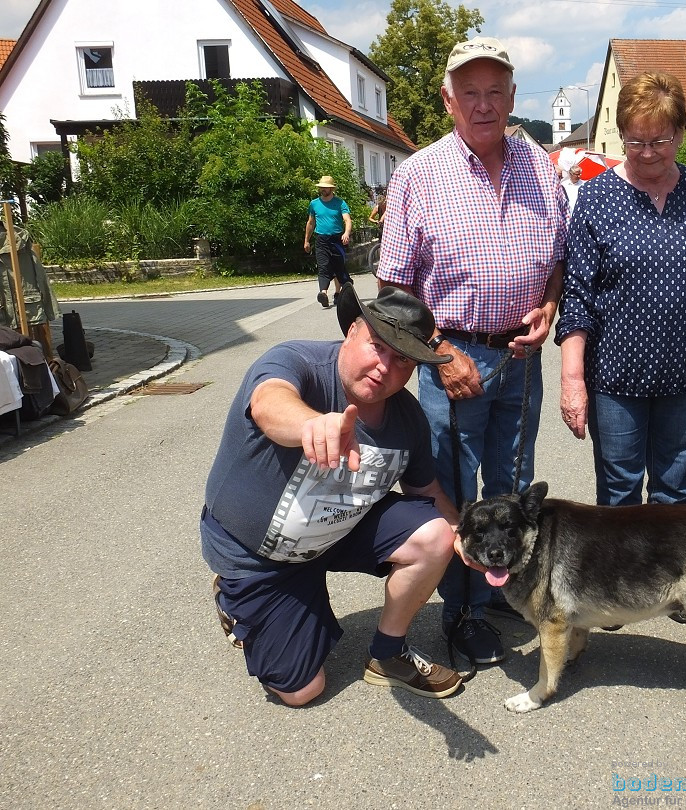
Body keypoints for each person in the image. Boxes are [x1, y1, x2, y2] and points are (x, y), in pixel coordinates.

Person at [377, 36, 567, 666]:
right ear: (448, 99)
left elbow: (559, 262)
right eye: (470, 93)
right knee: (454, 495)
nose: (483, 105)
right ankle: (459, 616)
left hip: (520, 358)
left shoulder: (541, 168)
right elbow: (394, 291)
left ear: (512, 97)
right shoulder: (417, 175)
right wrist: (436, 349)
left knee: (511, 492)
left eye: (495, 93)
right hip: (451, 360)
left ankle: (503, 599)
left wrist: (548, 305)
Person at [200, 285, 463, 705]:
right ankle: (238, 598)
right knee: (303, 691)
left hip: (337, 531)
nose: (384, 368)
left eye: (402, 360)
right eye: (377, 346)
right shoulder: (297, 361)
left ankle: (388, 654)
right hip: (260, 554)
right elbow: (270, 403)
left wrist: (460, 530)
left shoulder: (407, 416)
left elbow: (425, 490)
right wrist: (311, 425)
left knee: (436, 534)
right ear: (352, 330)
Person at [556, 72, 686, 509]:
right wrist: (572, 379)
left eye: (659, 141)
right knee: (619, 494)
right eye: (635, 142)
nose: (647, 153)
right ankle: (620, 580)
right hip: (615, 377)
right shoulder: (596, 197)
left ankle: (671, 580)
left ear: (681, 133)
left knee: (675, 494)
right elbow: (577, 296)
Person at [304, 176, 353, 308]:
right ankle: (323, 293)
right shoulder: (314, 204)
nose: (322, 189)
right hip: (321, 239)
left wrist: (346, 233)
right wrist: (306, 241)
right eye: (321, 187)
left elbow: (347, 220)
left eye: (325, 187)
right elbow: (310, 222)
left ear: (331, 189)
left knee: (339, 267)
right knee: (323, 266)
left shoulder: (340, 203)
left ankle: (338, 292)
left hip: (337, 239)